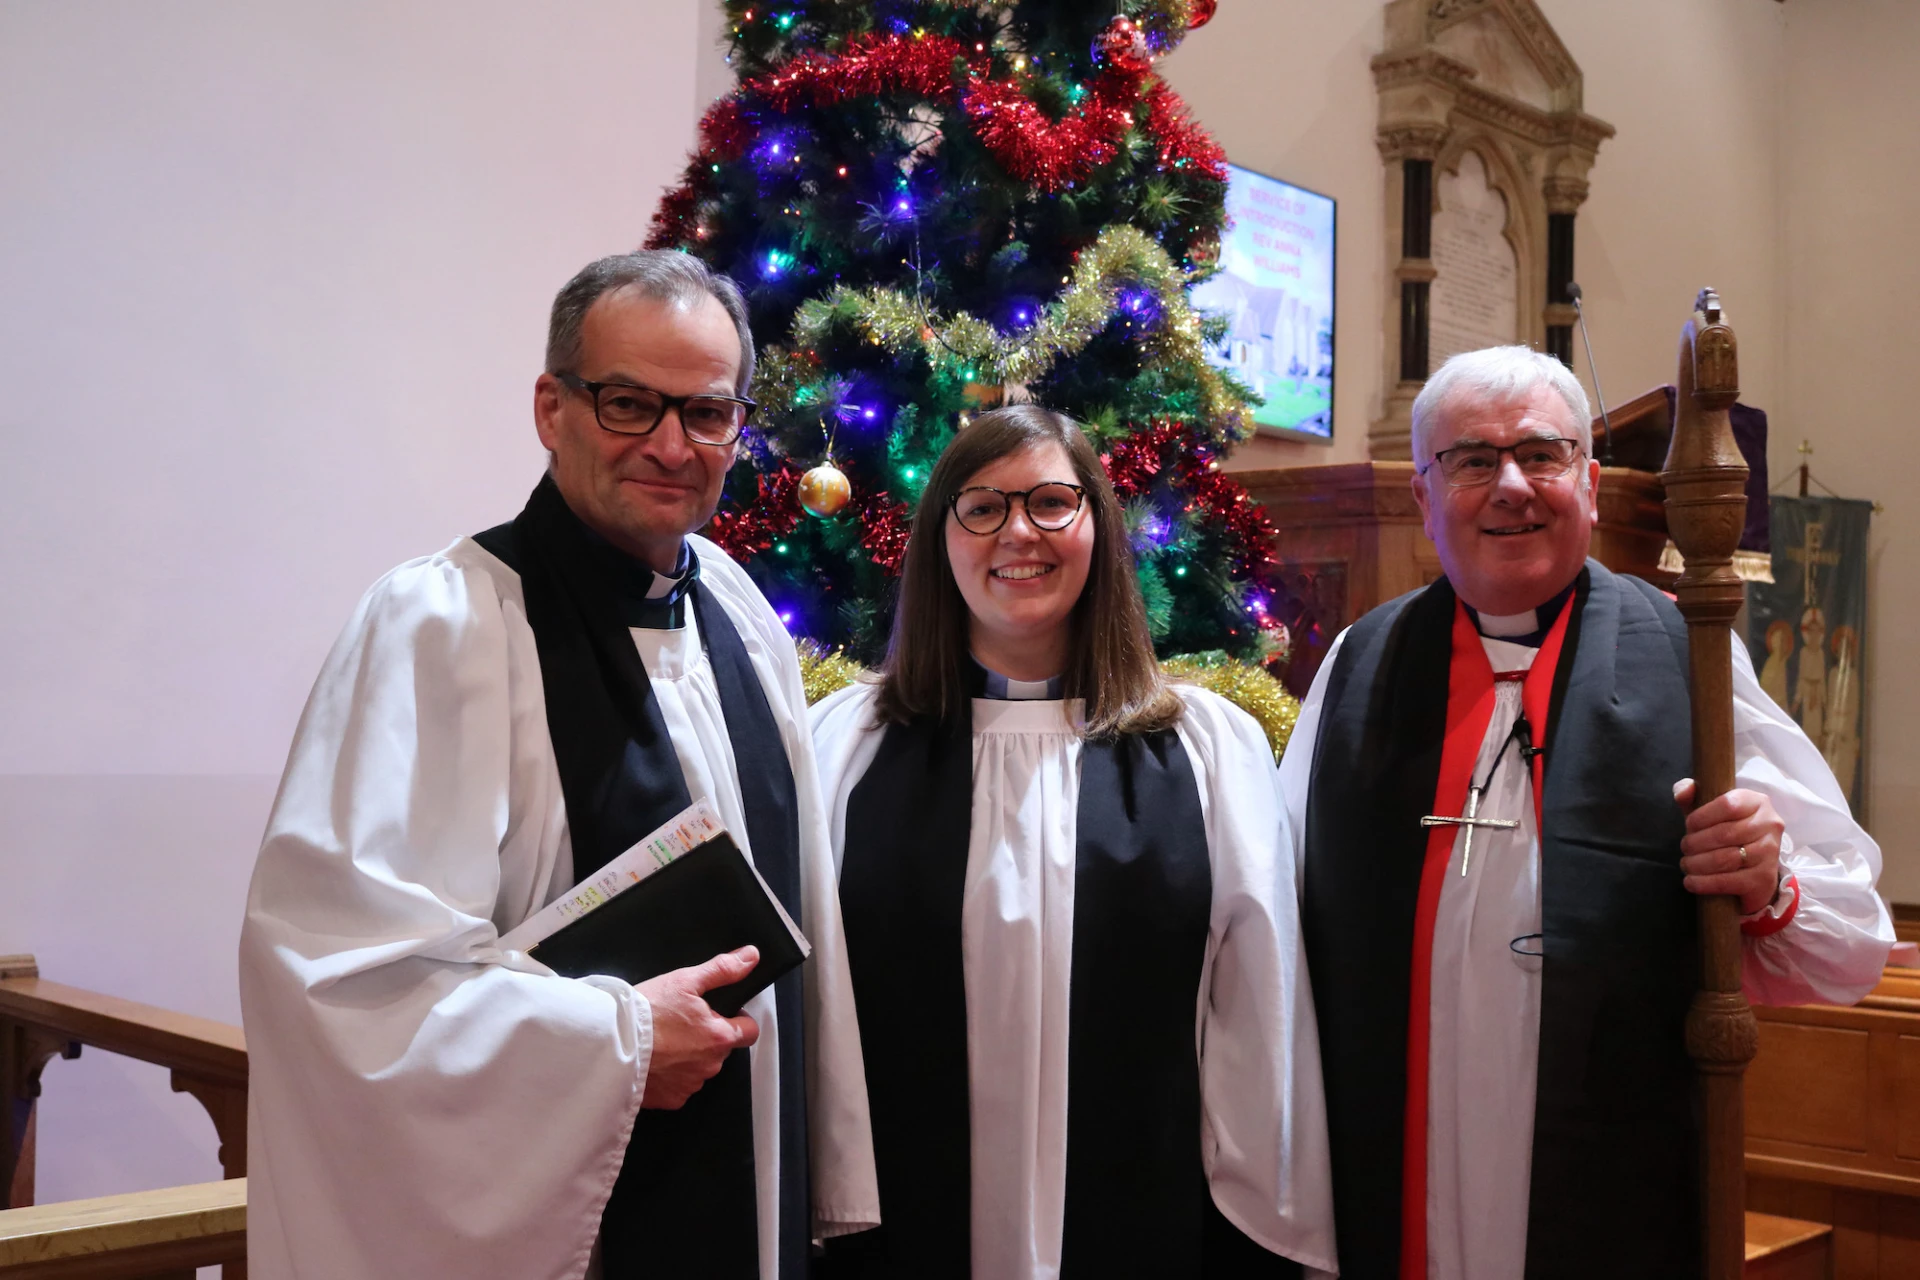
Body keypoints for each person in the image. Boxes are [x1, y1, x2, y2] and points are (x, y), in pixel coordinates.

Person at [239, 251, 875, 1279]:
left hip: (749, 1204)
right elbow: (342, 982)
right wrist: (615, 1043)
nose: (672, 444)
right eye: (630, 403)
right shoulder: (441, 623)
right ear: (553, 406)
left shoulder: (742, 616)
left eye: (708, 413)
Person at [1284, 344, 1893, 1280]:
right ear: (1423, 496)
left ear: (1593, 483)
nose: (1512, 486)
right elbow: (1274, 927)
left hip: (1609, 1180)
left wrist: (1767, 883)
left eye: (1543, 454)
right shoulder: (1358, 666)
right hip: (1393, 1164)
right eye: (1473, 460)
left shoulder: (1685, 654)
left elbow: (1852, 944)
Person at [808, 405, 1336, 1279]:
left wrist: (1263, 1224)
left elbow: (1260, 1012)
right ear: (942, 539)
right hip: (901, 1226)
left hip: (1150, 1224)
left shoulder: (1206, 748)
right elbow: (819, 1021)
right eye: (982, 507)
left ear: (1099, 527)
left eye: (1053, 503)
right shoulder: (848, 746)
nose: (1020, 531)